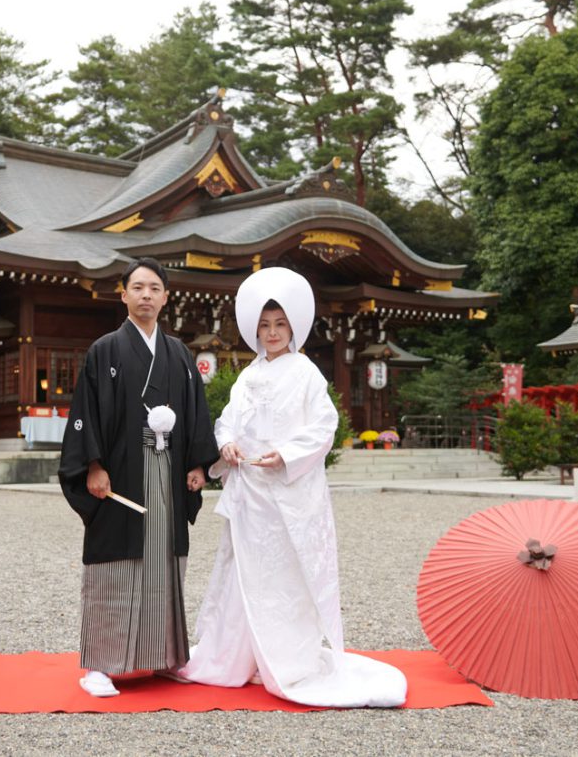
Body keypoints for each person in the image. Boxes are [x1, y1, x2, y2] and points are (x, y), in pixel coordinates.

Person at [178, 266, 407, 708]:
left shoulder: (306, 373)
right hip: (250, 494)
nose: (272, 333)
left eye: (280, 324)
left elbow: (325, 425)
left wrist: (285, 454)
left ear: (294, 327)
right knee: (242, 574)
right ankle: (233, 658)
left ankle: (286, 661)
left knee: (285, 579)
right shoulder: (247, 377)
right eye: (264, 325)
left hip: (288, 493)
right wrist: (225, 445)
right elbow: (228, 421)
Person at [59, 257, 219, 697]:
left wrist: (197, 464)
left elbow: (196, 414)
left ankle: (164, 656)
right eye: (138, 287)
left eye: (155, 288)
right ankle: (99, 665)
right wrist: (92, 465)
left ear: (166, 297)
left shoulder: (179, 354)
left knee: (163, 561)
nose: (146, 295)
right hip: (120, 472)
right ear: (123, 294)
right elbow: (86, 412)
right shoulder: (105, 349)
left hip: (167, 469)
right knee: (114, 563)